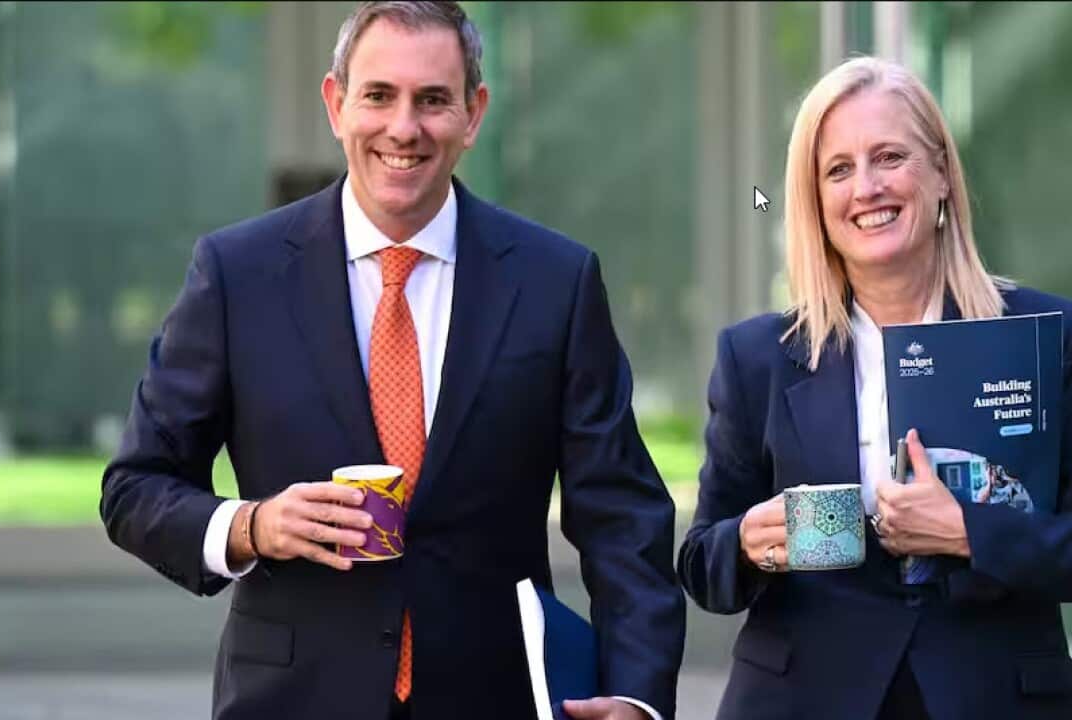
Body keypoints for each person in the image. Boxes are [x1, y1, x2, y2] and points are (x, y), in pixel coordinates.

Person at [99, 3, 684, 719]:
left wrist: (633, 695)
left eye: (433, 100)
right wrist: (252, 526)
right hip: (291, 699)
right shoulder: (237, 274)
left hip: (492, 698)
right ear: (336, 103)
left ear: (474, 114)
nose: (403, 128)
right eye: (378, 95)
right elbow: (136, 487)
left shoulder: (554, 282)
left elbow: (622, 517)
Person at [676, 56, 1072, 720]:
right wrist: (749, 542)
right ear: (815, 201)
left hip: (991, 697)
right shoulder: (759, 357)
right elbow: (703, 564)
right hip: (802, 700)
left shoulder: (1049, 336)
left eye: (889, 157)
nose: (866, 187)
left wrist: (971, 533)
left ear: (941, 176)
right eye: (839, 169)